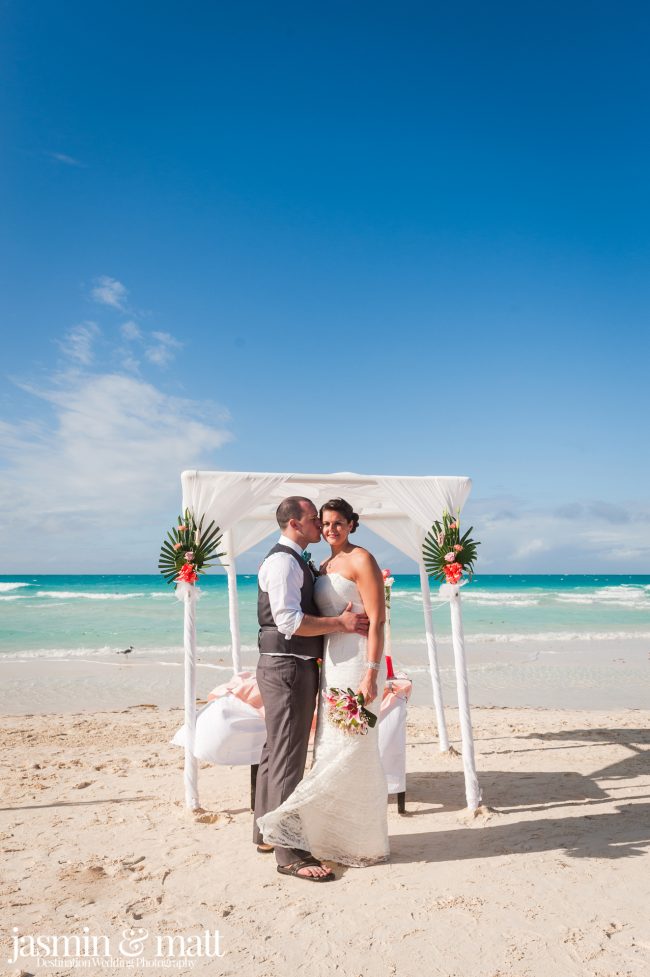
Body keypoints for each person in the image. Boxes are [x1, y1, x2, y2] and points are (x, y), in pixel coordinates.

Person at [257, 497, 389, 869]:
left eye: (335, 522)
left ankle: (351, 836)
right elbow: (291, 619)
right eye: (321, 521)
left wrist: (372, 672)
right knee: (320, 749)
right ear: (301, 524)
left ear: (351, 524)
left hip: (356, 662)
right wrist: (338, 626)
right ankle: (300, 839)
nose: (328, 528)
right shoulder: (310, 564)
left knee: (352, 748)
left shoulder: (360, 559)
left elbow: (377, 621)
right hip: (326, 663)